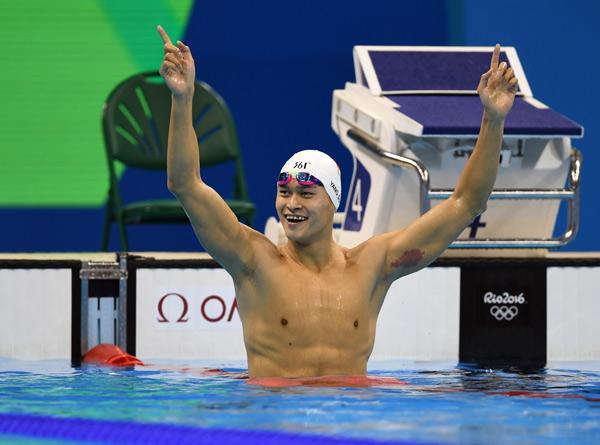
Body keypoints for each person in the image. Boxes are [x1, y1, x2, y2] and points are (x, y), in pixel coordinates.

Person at [157, 25, 518, 379]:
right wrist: (182, 98)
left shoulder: (373, 265)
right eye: (284, 192)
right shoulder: (253, 260)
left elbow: (467, 202)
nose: (291, 204)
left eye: (306, 193)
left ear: (333, 202)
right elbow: (185, 184)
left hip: (350, 423)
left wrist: (493, 119)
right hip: (275, 423)